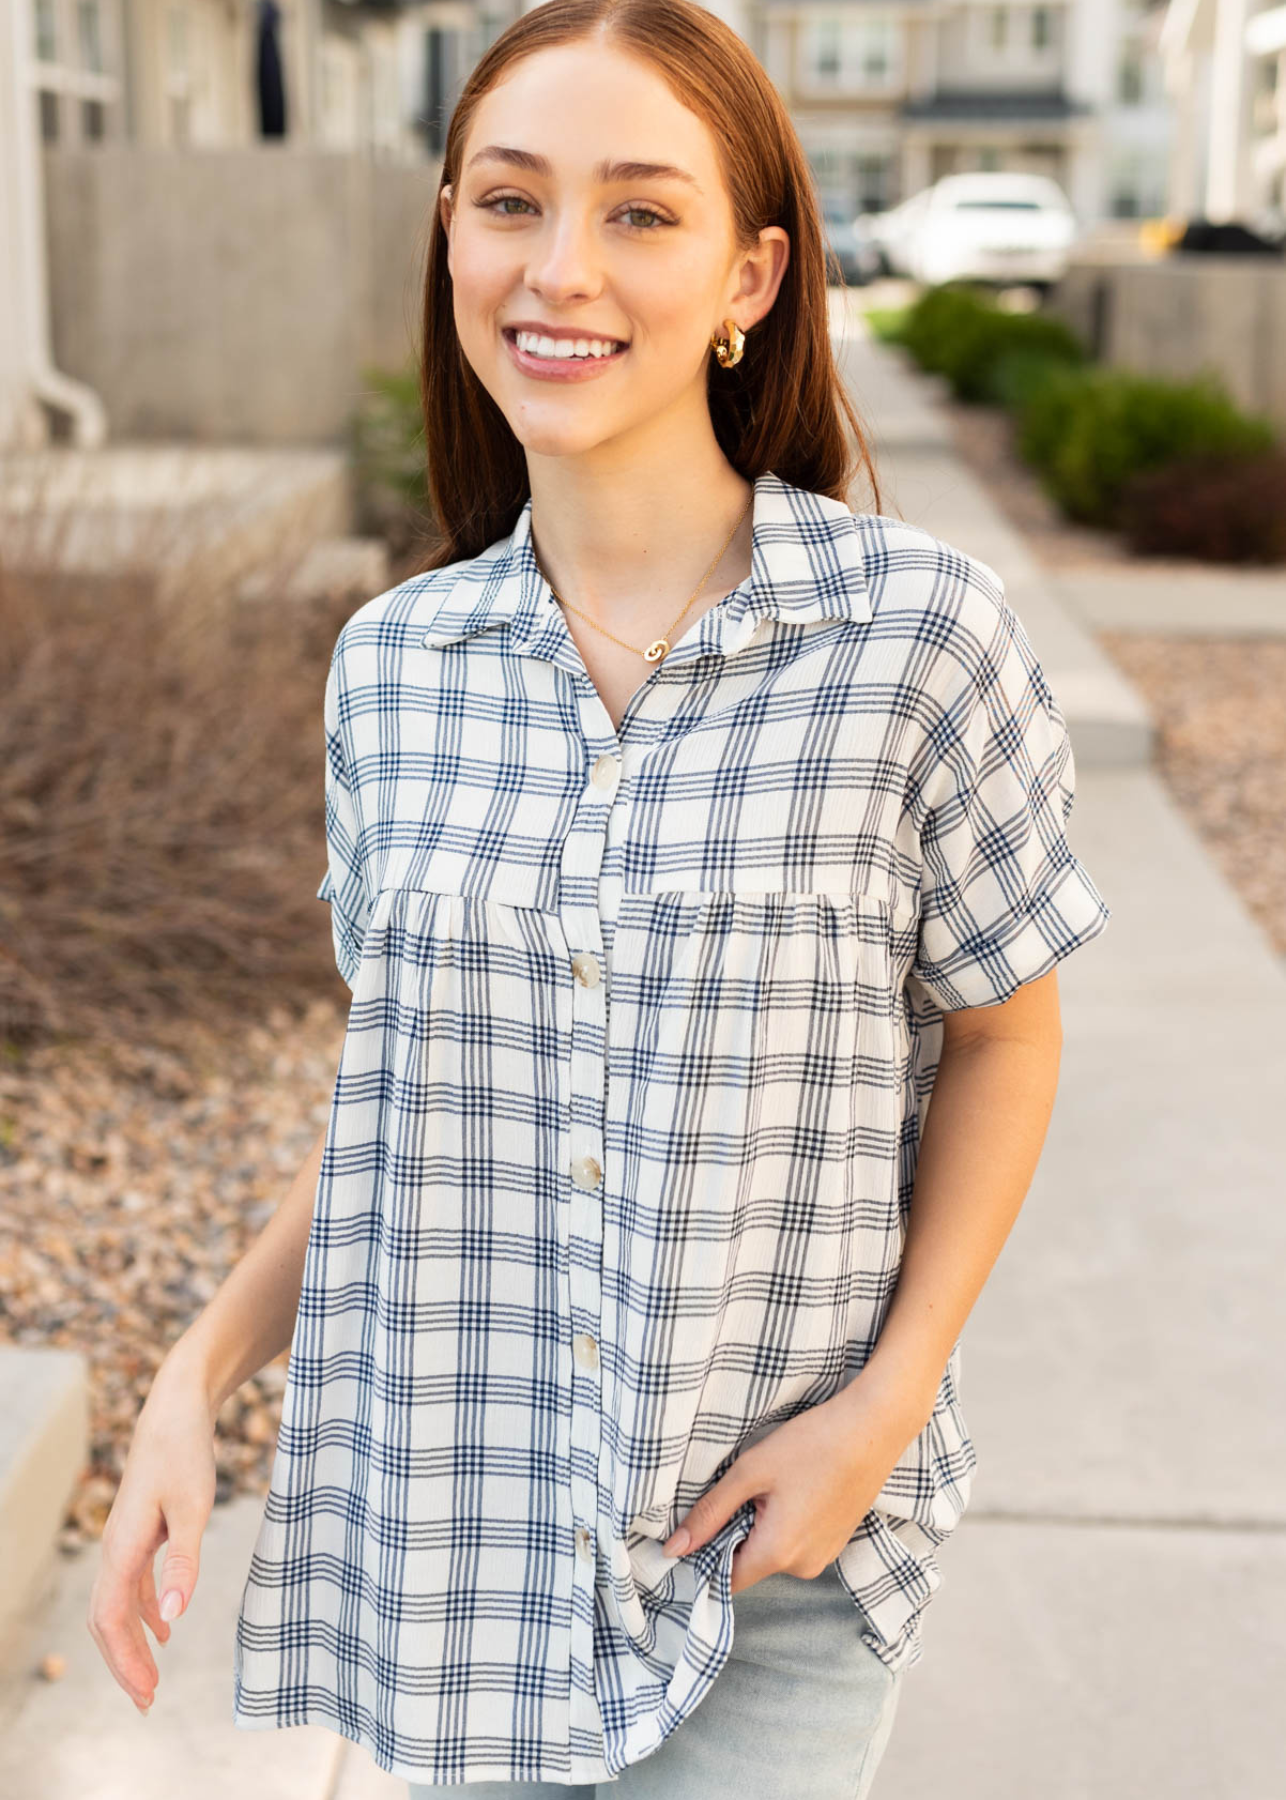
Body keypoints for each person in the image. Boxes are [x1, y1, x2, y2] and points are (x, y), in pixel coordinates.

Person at [86, 1, 1113, 1794]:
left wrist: (884, 1410)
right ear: (450, 233)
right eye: (510, 202)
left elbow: (1006, 1041)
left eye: (640, 211)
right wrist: (196, 1375)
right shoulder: (391, 669)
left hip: (769, 1561)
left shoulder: (915, 640)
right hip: (459, 1573)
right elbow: (406, 1117)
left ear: (751, 274)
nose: (560, 269)